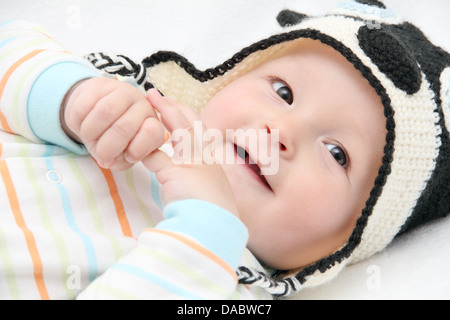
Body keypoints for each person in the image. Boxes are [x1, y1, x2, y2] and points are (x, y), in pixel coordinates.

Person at [0, 0, 449, 299]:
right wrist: (70, 100)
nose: (281, 131)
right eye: (283, 92)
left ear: (341, 247)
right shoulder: (137, 107)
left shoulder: (229, 287)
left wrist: (206, 223)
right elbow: (11, 46)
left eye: (337, 153)